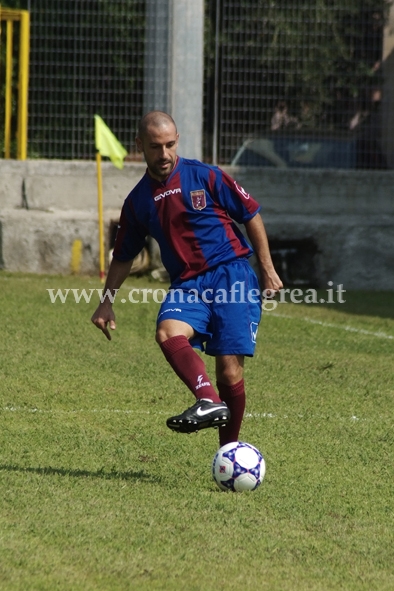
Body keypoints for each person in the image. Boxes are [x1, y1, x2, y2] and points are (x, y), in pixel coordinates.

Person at [91, 111, 282, 446]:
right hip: (187, 285)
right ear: (140, 146)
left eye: (169, 145)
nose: (164, 154)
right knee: (167, 331)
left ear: (177, 141)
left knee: (229, 372)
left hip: (231, 275)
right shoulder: (137, 202)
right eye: (155, 147)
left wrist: (266, 268)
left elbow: (250, 214)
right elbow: (123, 256)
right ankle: (207, 400)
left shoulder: (205, 175)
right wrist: (106, 303)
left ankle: (229, 451)